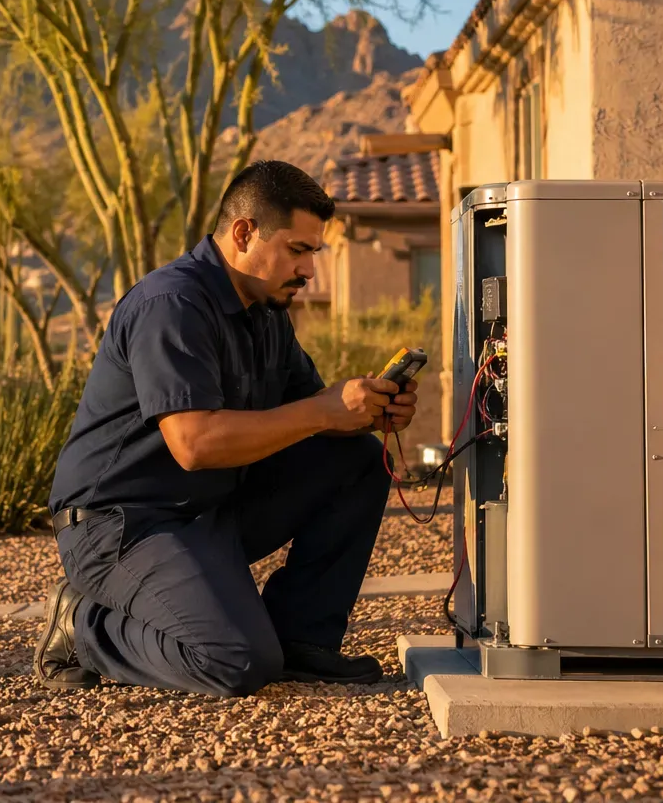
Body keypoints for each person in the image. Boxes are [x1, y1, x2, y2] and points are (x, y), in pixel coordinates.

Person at [35, 160, 417, 696]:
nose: (309, 271)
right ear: (243, 233)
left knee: (357, 459)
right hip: (121, 525)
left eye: (314, 253)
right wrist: (322, 412)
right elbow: (194, 444)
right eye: (298, 250)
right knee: (232, 661)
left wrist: (366, 411)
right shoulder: (171, 305)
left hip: (209, 510)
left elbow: (310, 410)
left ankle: (301, 641)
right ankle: (84, 627)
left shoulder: (265, 312)